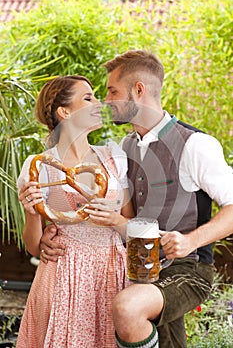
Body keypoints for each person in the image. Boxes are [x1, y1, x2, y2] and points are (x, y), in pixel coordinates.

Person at [40, 51, 233, 348]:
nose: (105, 100)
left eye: (112, 91)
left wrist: (191, 241)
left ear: (139, 90)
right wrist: (50, 233)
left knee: (128, 309)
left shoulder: (196, 145)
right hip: (136, 268)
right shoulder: (122, 148)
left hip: (187, 269)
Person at [17, 75, 134, 348]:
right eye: (88, 98)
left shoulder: (114, 157)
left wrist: (114, 220)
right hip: (63, 274)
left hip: (112, 272)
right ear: (65, 111)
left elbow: (131, 222)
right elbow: (34, 246)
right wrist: (33, 213)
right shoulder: (40, 166)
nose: (99, 102)